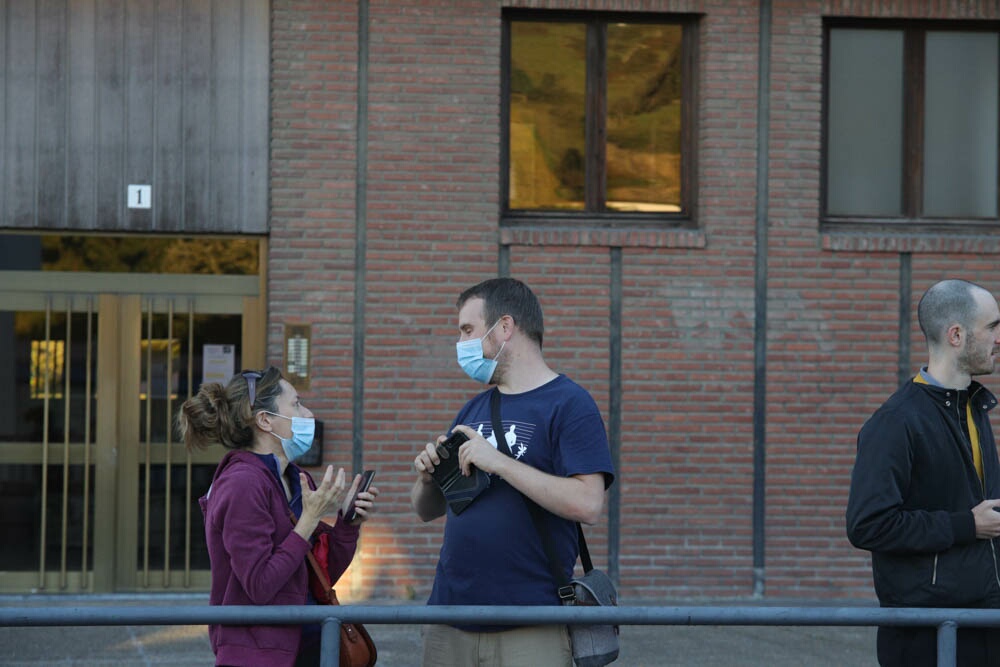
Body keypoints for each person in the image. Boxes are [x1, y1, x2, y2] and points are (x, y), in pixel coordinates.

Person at [411, 277, 615, 667]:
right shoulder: (472, 409)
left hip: (530, 623)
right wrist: (426, 479)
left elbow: (589, 503)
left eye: (468, 330)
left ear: (505, 328)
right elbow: (424, 510)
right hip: (449, 618)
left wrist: (500, 462)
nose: (461, 343)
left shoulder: (570, 405)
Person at [177, 365, 379, 667]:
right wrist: (308, 521)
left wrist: (347, 525)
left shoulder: (296, 479)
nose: (309, 414)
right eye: (296, 404)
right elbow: (260, 585)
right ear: (265, 420)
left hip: (309, 648)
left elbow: (315, 578)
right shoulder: (242, 484)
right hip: (257, 656)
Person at [846, 279, 1000, 667]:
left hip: (983, 624)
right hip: (925, 635)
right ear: (956, 335)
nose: (999, 339)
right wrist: (965, 525)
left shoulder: (974, 408)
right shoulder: (896, 423)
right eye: (993, 327)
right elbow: (868, 525)